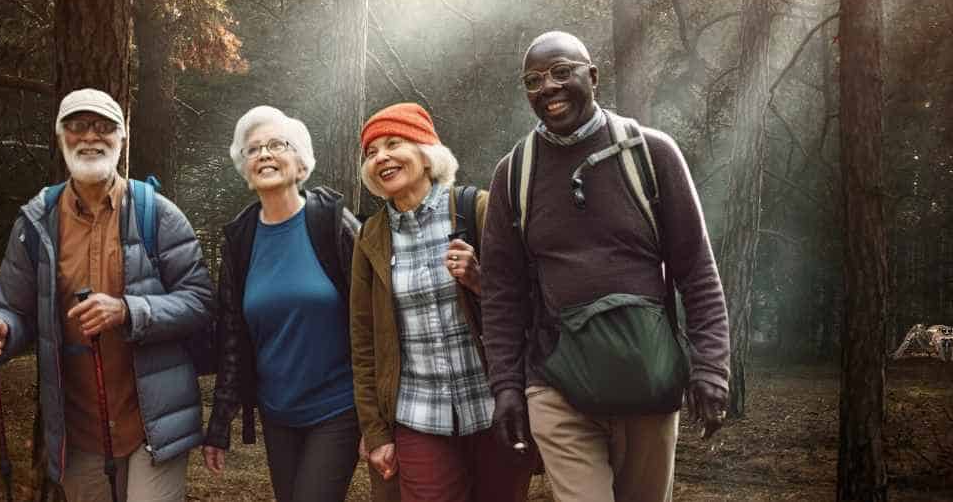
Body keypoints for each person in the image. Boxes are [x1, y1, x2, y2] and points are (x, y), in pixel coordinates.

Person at [480, 31, 731, 502]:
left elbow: (697, 270)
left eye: (561, 72)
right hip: (555, 385)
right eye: (533, 81)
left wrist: (711, 369)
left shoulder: (652, 154)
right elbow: (501, 294)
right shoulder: (514, 174)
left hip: (647, 381)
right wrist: (506, 387)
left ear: (592, 76)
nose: (548, 87)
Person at [0, 88, 213, 502]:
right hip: (77, 428)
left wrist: (127, 310)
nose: (90, 137)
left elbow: (200, 301)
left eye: (104, 127)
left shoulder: (159, 214)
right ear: (59, 136)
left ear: (123, 138)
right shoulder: (36, 222)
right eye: (77, 126)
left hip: (152, 423)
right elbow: (13, 307)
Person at [350, 102, 534, 502]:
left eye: (393, 143)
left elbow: (534, 300)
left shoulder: (479, 209)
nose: (381, 157)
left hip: (494, 407)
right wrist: (376, 431)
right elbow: (364, 343)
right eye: (371, 152)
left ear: (425, 150)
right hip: (417, 415)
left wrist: (480, 281)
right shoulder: (371, 237)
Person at [202, 106, 362, 502]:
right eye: (253, 149)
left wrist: (379, 418)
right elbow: (234, 337)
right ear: (245, 166)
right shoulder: (240, 241)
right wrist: (220, 423)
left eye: (277, 144)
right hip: (278, 413)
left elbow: (373, 318)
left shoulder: (334, 224)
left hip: (338, 408)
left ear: (301, 162)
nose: (265, 154)